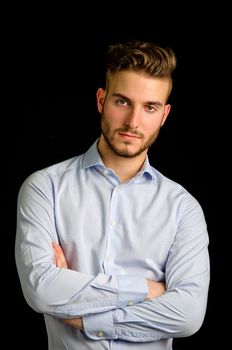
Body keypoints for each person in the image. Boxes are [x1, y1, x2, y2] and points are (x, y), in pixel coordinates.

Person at [15, 40, 210, 350]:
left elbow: (188, 315)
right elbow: (41, 290)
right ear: (101, 100)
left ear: (164, 115)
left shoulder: (183, 208)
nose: (133, 121)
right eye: (122, 101)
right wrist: (145, 290)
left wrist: (83, 317)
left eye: (150, 107)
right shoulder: (45, 188)